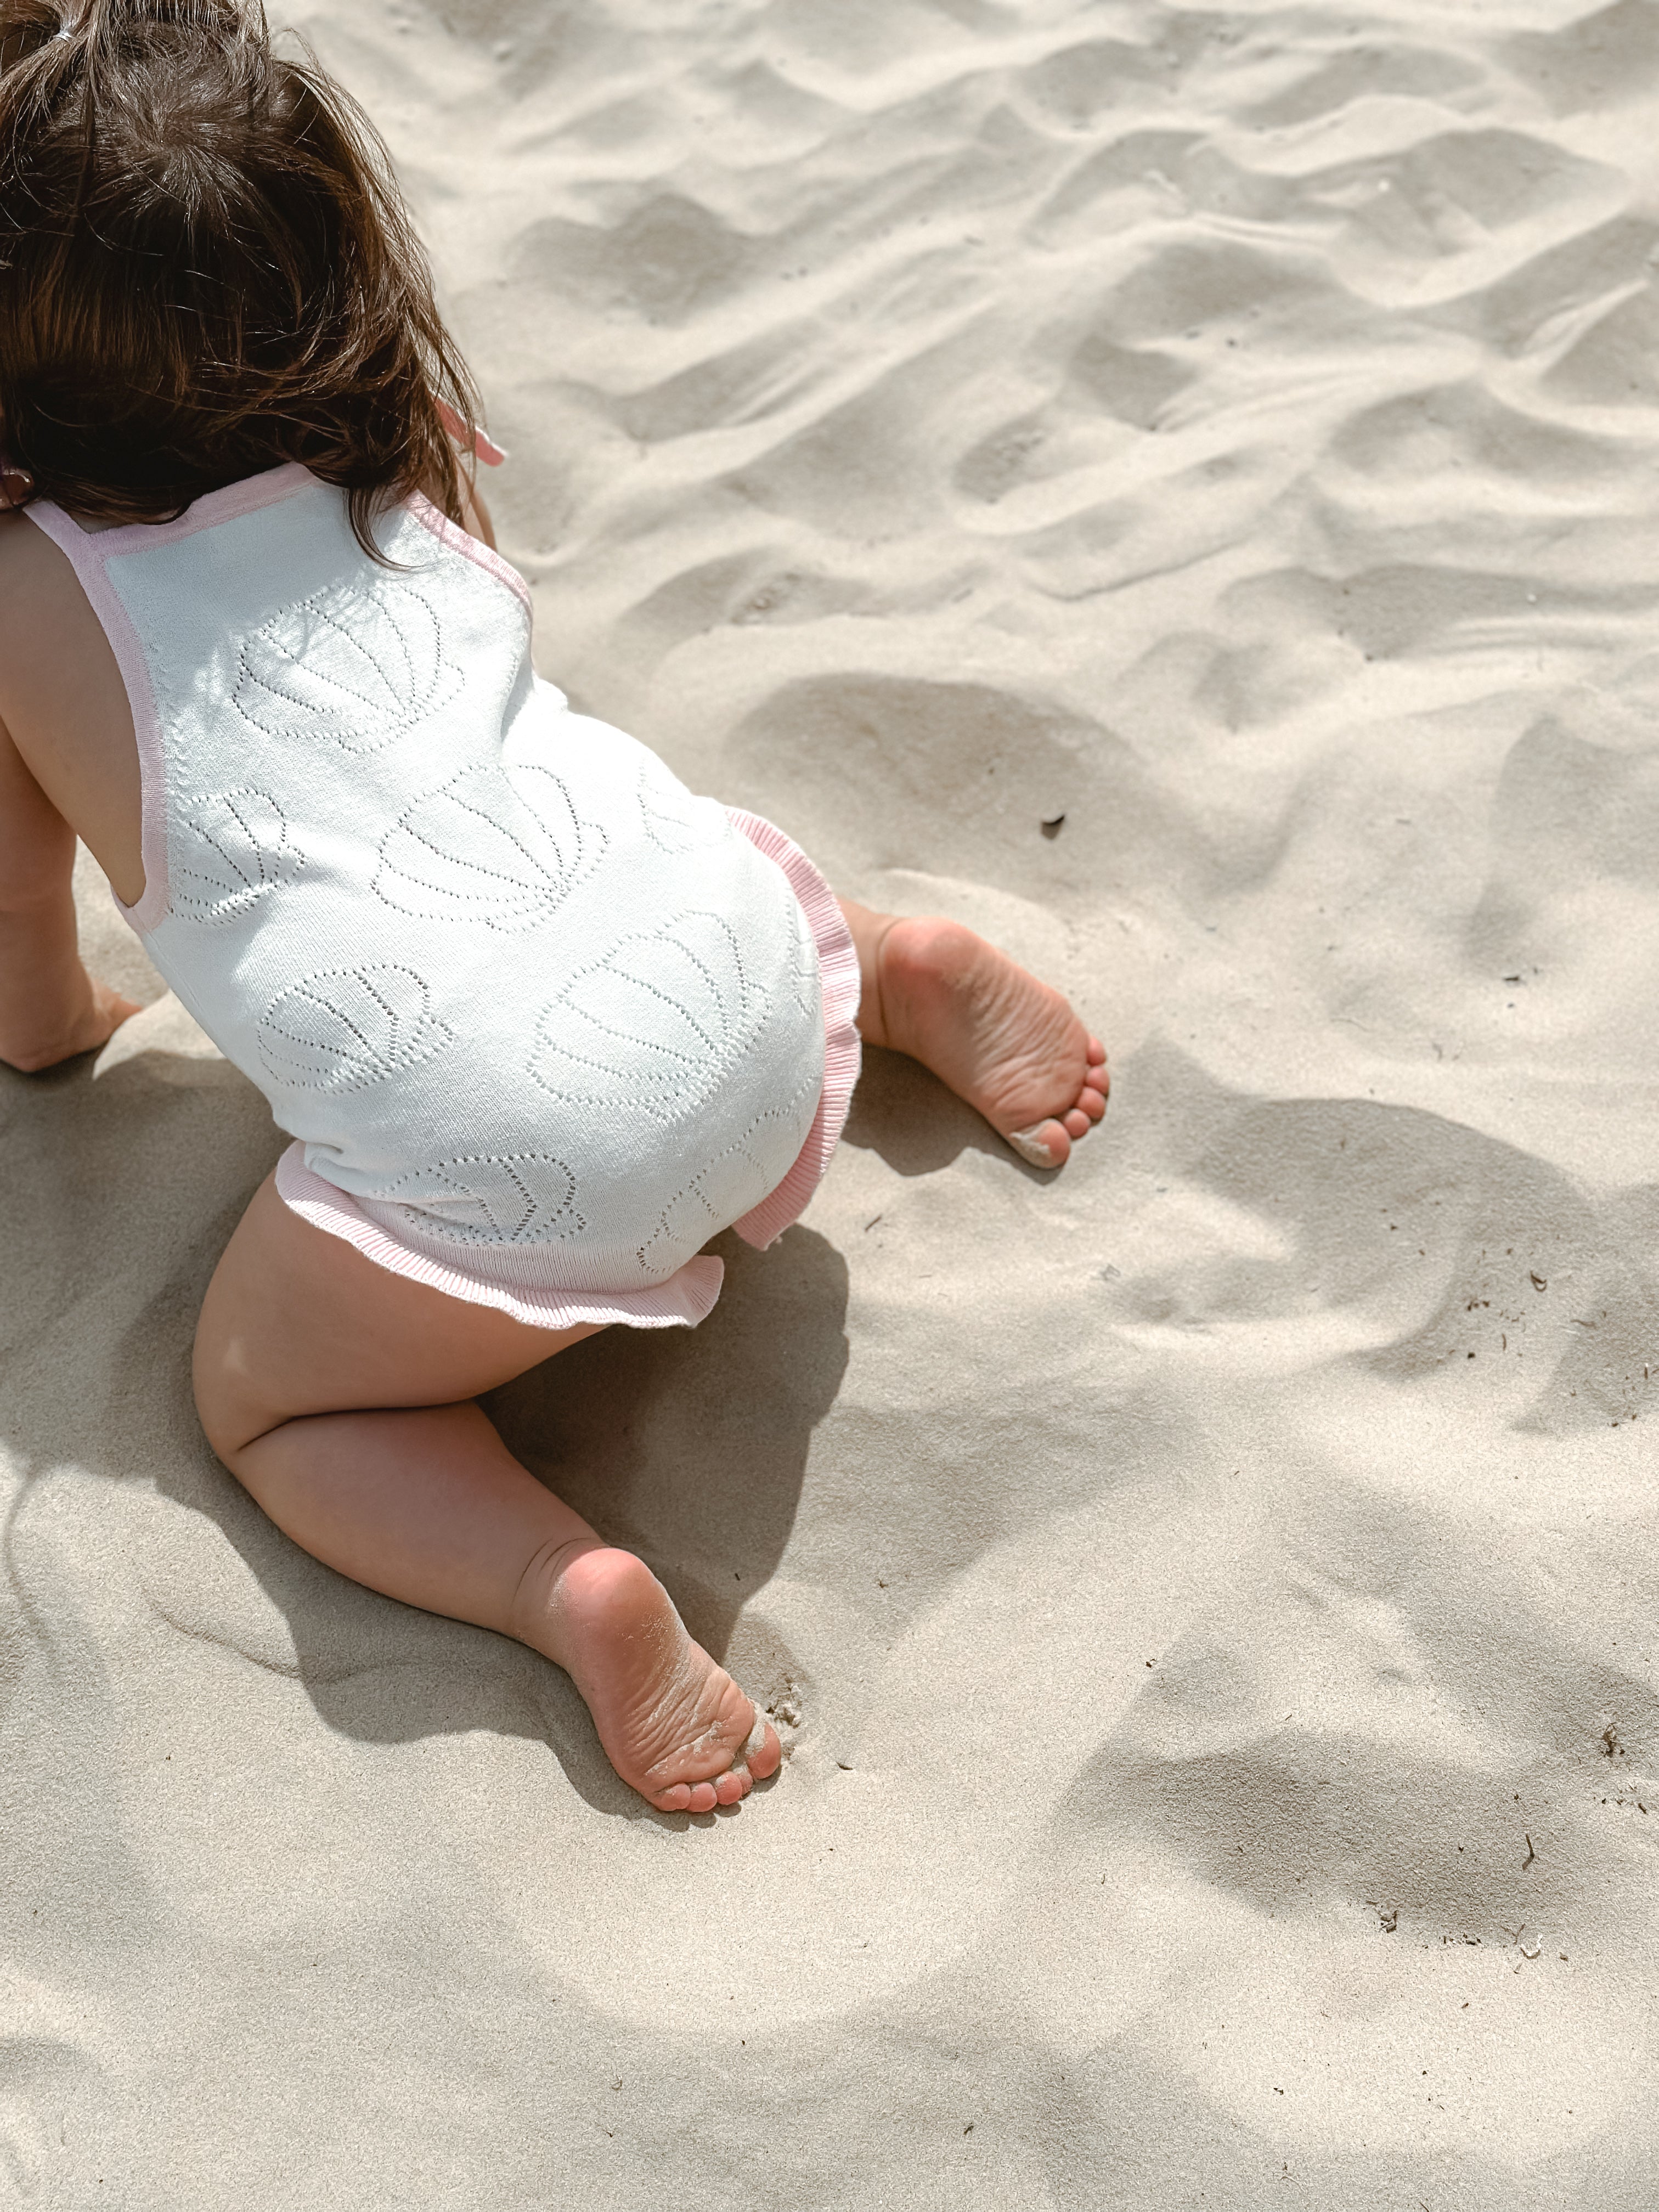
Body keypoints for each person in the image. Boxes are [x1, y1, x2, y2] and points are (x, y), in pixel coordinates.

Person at [0, 0, 1107, 1814]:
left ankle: (560, 1583)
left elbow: (19, 924)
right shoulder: (393, 438)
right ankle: (888, 980)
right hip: (735, 964)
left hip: (525, 1179)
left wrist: (48, 1040)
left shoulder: (23, 595)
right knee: (599, 819)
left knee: (267, 1405)